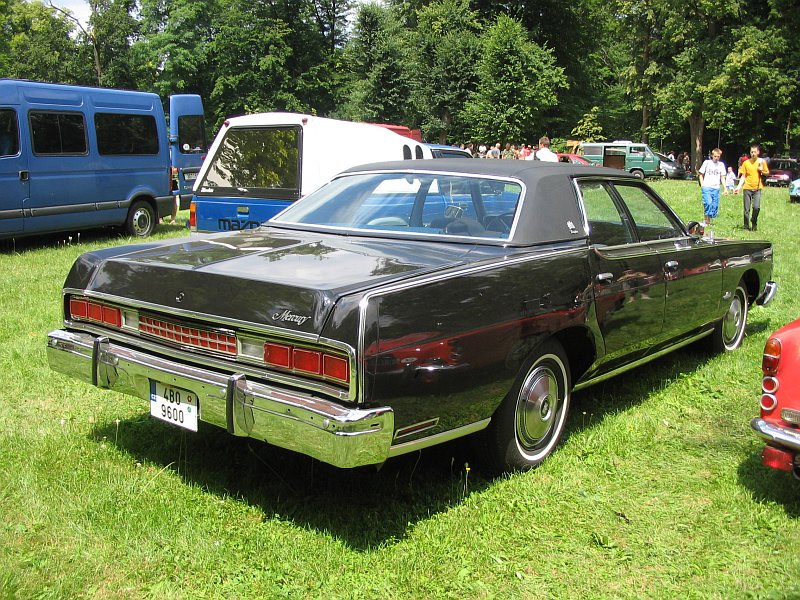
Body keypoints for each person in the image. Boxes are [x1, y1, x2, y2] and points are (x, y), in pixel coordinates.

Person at [734, 143, 769, 231]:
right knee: (746, 209)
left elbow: (767, 173)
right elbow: (743, 176)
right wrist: (738, 187)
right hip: (747, 188)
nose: (752, 153)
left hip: (757, 188)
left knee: (756, 207)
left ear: (758, 152)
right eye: (751, 152)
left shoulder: (761, 162)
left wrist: (761, 170)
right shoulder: (746, 163)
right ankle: (746, 226)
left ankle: (754, 221)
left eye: (754, 152)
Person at [698, 148, 727, 227]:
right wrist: (702, 185)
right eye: (715, 156)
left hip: (716, 188)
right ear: (712, 155)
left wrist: (725, 188)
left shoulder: (721, 165)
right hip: (707, 187)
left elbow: (722, 177)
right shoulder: (707, 163)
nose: (716, 158)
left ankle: (709, 219)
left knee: (714, 206)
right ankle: (706, 220)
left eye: (718, 156)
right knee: (708, 203)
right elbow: (700, 174)